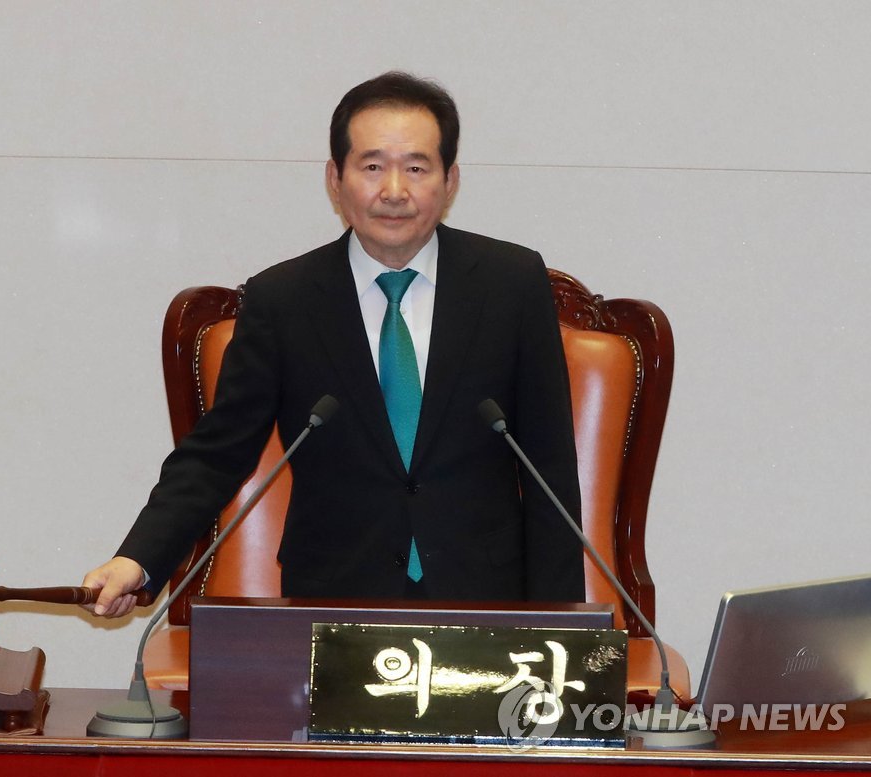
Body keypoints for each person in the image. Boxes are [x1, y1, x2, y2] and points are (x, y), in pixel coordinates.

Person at [84, 71, 584, 618]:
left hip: (484, 601)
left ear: (450, 181)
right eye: (372, 167)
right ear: (335, 179)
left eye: (417, 168)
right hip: (332, 603)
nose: (394, 191)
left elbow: (549, 470)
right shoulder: (284, 300)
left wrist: (560, 627)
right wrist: (138, 558)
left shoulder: (511, 284)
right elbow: (217, 453)